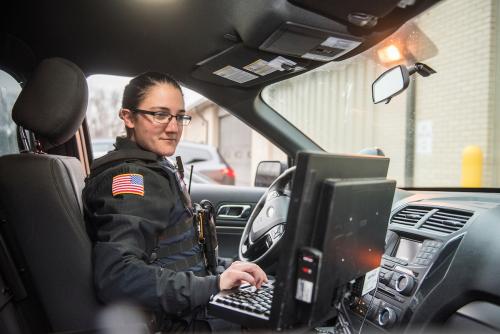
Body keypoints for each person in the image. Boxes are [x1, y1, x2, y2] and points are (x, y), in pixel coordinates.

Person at [83, 72, 267, 332]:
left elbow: (175, 255)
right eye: (159, 115)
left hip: (190, 309)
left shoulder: (155, 166)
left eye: (179, 116)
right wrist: (213, 285)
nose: (173, 127)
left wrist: (228, 269)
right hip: (180, 322)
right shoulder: (131, 179)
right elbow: (117, 275)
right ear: (128, 117)